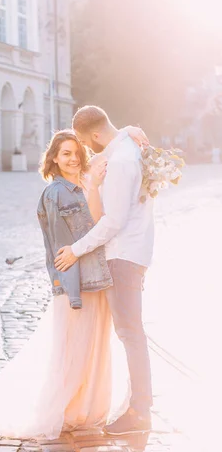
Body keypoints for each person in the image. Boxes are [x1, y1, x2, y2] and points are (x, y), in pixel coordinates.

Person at [0, 126, 147, 441]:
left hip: (98, 282)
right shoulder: (55, 193)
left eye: (77, 153)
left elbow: (106, 145)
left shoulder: (88, 182)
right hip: (77, 287)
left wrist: (128, 130)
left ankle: (85, 410)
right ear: (54, 159)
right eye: (66, 154)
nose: (73, 159)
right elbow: (59, 248)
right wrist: (69, 291)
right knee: (70, 352)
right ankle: (63, 410)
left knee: (93, 351)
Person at [55, 106, 154, 436]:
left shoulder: (122, 161)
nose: (87, 149)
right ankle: (137, 406)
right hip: (128, 253)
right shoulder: (126, 147)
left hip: (122, 256)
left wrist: (76, 249)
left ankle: (140, 412)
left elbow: (113, 220)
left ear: (95, 136)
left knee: (130, 334)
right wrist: (128, 128)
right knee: (130, 333)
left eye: (85, 142)